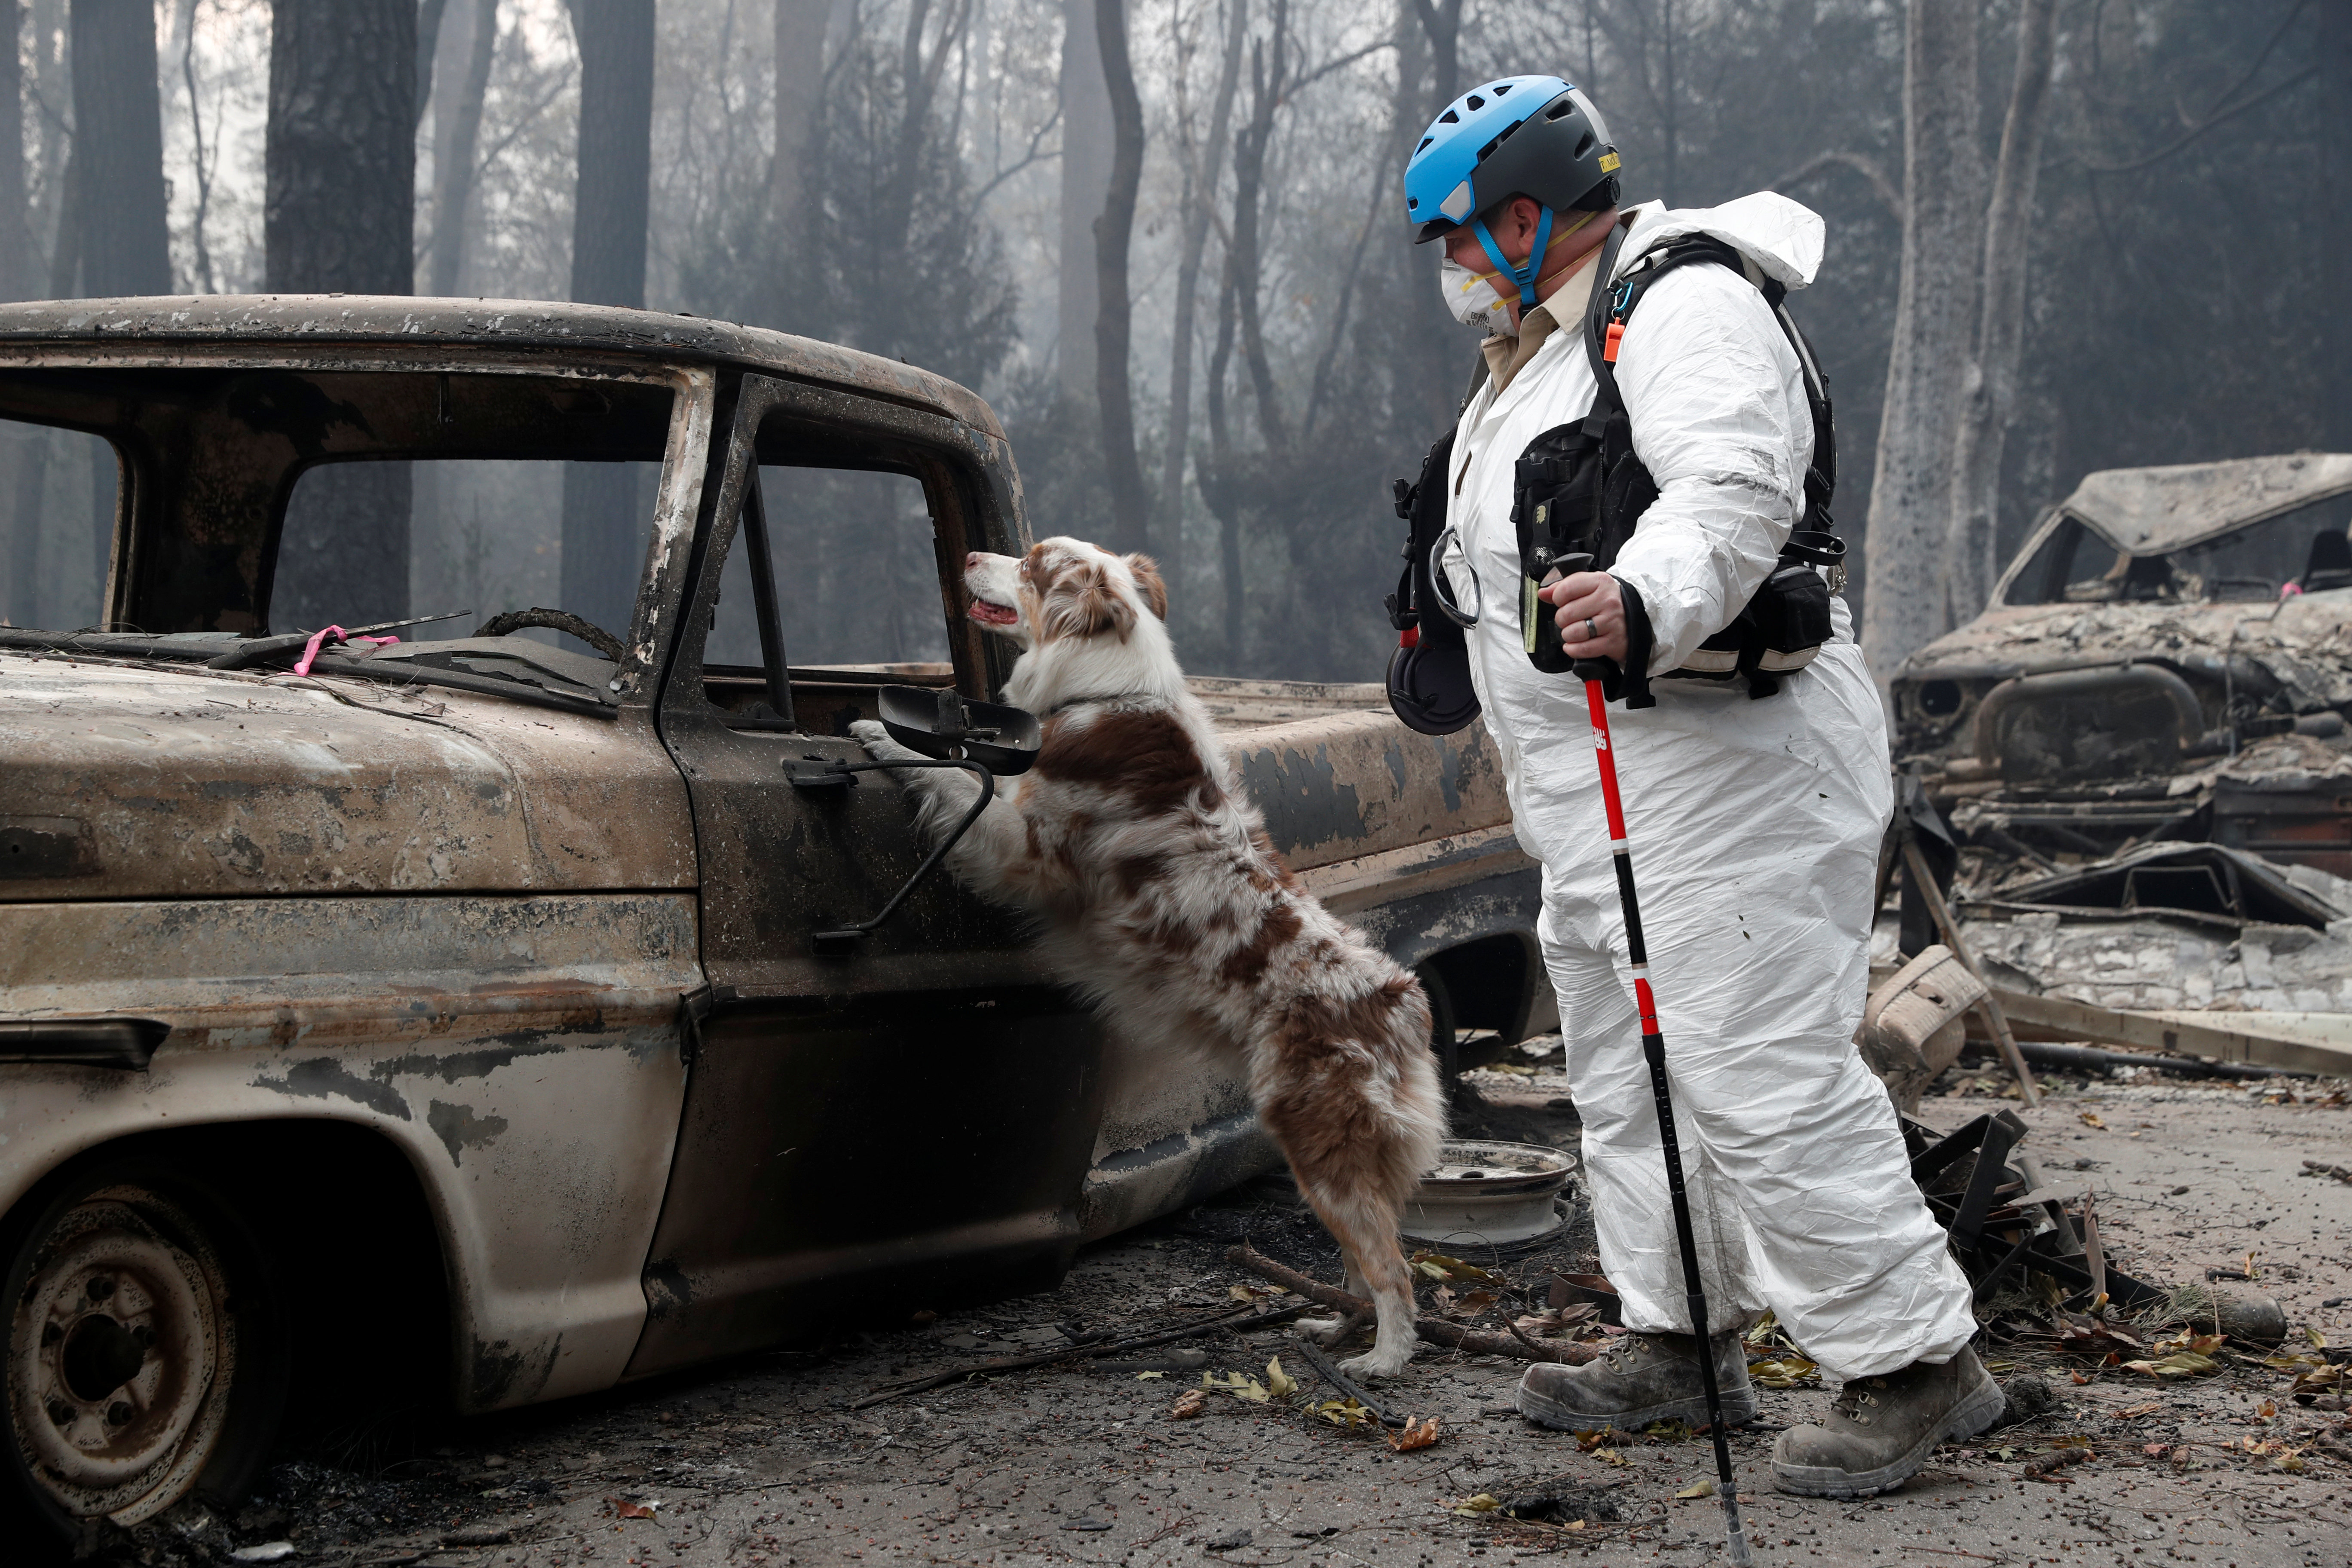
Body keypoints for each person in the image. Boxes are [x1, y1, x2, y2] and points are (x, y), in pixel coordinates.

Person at [1400, 75, 2002, 1499]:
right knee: (1622, 1062)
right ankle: (1684, 1337)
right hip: (1598, 784)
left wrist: (1647, 595)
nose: (1449, 267)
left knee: (1750, 1063)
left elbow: (1733, 486)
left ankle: (1916, 1364)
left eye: (1458, 235)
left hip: (1726, 767)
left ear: (1530, 213)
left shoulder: (1679, 300)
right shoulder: (1529, 351)